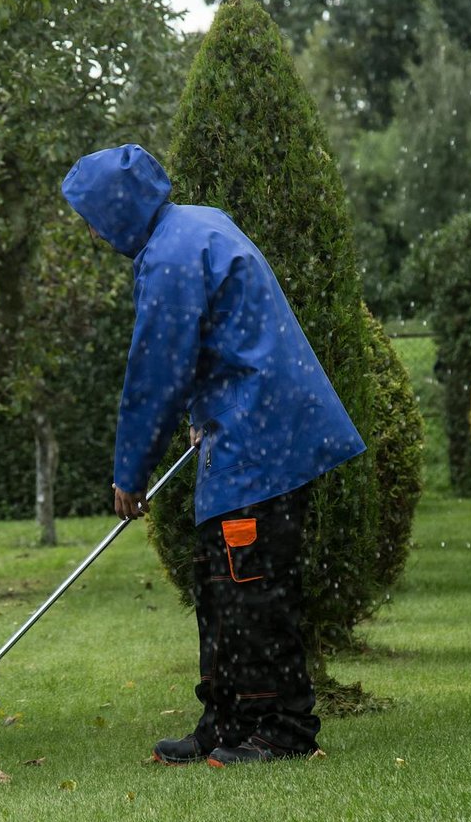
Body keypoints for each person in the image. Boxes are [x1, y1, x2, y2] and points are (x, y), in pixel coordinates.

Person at [60, 143, 366, 767]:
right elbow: (228, 333)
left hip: (262, 438)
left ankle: (281, 731)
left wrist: (129, 474)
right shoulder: (198, 223)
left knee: (251, 587)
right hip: (249, 426)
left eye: (91, 216)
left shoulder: (171, 257)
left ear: (117, 209)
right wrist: (209, 409)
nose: (91, 231)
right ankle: (224, 722)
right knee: (219, 581)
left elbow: (156, 373)